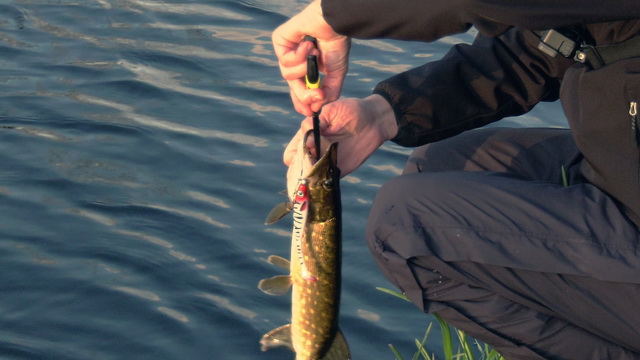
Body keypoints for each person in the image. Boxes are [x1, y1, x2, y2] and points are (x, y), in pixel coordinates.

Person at [272, 1, 640, 358]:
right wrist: (385, 114)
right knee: (440, 165)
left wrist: (335, 14)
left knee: (403, 224)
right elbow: (547, 46)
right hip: (619, 169)